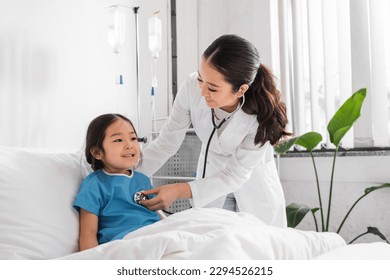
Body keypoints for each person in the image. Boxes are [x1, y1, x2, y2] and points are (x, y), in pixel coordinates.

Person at [137, 34, 291, 227]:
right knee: (214, 244)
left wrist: (178, 190)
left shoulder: (261, 118)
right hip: (211, 179)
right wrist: (129, 172)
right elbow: (166, 142)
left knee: (256, 248)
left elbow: (235, 175)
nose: (202, 92)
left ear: (241, 90)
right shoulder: (191, 88)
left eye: (213, 88)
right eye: (201, 79)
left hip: (254, 185)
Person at [73, 114, 160, 251]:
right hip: (126, 243)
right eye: (119, 140)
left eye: (133, 138)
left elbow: (158, 215)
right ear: (97, 152)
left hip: (156, 234)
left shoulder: (142, 179)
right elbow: (88, 233)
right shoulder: (94, 185)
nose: (129, 145)